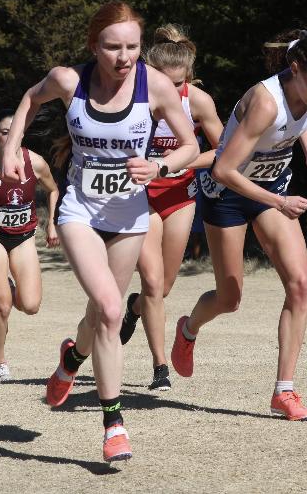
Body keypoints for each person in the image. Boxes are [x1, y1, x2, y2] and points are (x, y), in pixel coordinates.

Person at [1, 1, 198, 462]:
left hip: (129, 217)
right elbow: (31, 99)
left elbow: (190, 145)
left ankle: (71, 359)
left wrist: (159, 165)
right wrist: (14, 148)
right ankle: (114, 425)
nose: (124, 57)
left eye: (132, 46)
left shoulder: (158, 87)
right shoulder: (69, 80)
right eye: (113, 47)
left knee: (98, 315)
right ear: (94, 46)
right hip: (80, 213)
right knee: (111, 310)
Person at [173, 29, 307, 421]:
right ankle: (188, 328)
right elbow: (223, 168)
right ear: (295, 68)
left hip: (270, 189)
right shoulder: (266, 103)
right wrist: (280, 201)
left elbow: (305, 117)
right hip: (227, 193)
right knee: (229, 299)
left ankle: (284, 391)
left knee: (299, 284)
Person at [118, 24, 223, 392]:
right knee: (151, 281)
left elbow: (223, 151)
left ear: (188, 77)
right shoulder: (129, 96)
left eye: (178, 83)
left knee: (161, 289)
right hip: (140, 196)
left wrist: (182, 162)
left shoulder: (198, 101)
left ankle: (133, 308)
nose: (170, 88)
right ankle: (159, 366)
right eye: (163, 80)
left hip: (179, 197)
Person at [0, 110, 60, 380]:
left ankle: (8, 289)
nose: (9, 137)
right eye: (4, 132)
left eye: (14, 132)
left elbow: (53, 189)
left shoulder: (36, 162)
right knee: (2, 306)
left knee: (30, 305)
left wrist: (51, 222)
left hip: (24, 237)